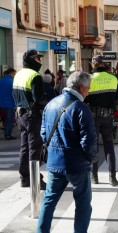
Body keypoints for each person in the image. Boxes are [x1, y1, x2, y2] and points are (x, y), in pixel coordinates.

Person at [36, 71, 98, 233]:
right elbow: (89, 140)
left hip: (55, 162)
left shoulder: (51, 104)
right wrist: (91, 159)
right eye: (89, 88)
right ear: (82, 88)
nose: (89, 91)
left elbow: (43, 133)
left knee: (49, 202)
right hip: (77, 165)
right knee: (83, 204)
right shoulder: (81, 108)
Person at [13, 49, 48, 189]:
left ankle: (24, 178)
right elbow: (39, 99)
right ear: (33, 60)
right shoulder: (35, 75)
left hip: (21, 114)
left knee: (24, 147)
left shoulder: (19, 74)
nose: (40, 61)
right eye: (38, 58)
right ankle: (35, 179)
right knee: (35, 147)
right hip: (32, 115)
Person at [84, 55, 118, 186]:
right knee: (109, 147)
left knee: (93, 147)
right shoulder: (113, 78)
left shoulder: (88, 79)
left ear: (93, 64)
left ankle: (94, 176)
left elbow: (83, 99)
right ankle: (113, 178)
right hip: (108, 117)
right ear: (103, 64)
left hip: (93, 118)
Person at [0, 68, 17, 140]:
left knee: (5, 119)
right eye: (14, 73)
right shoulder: (13, 81)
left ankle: (7, 133)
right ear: (11, 73)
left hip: (1, 104)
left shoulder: (1, 81)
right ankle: (8, 135)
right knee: (9, 120)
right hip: (10, 103)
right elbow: (15, 93)